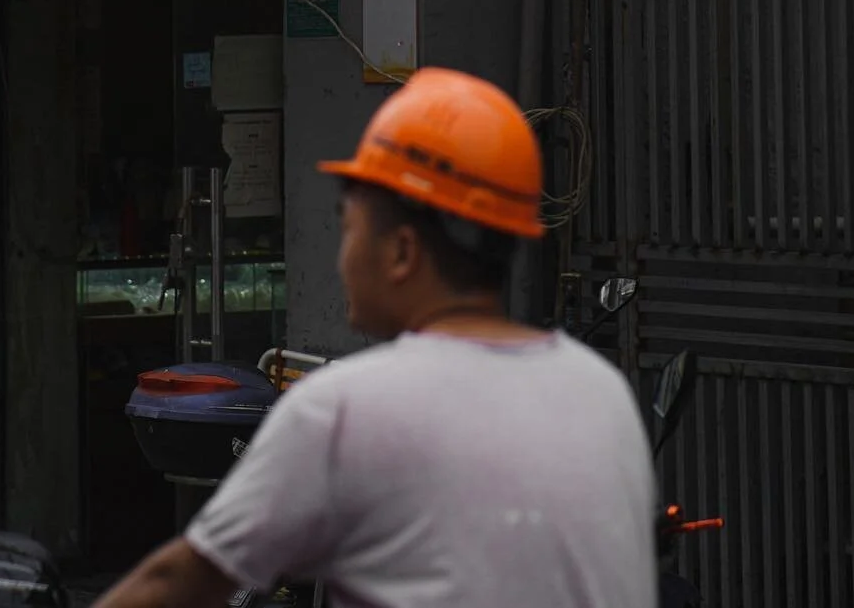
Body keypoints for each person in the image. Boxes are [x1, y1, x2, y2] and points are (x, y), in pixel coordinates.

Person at [93, 67, 657, 608]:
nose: (341, 258)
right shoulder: (601, 391)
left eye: (349, 227)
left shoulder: (347, 410)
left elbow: (180, 585)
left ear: (402, 251)